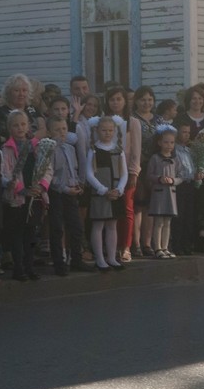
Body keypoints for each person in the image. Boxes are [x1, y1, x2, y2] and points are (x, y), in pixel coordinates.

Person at [0, 110, 52, 281]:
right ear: (9, 128)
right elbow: (7, 173)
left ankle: (29, 267)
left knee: (31, 233)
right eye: (15, 125)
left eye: (23, 124)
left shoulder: (36, 146)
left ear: (28, 126)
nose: (20, 128)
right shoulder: (7, 149)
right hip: (18, 198)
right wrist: (21, 189)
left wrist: (41, 187)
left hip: (35, 196)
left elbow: (47, 169)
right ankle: (19, 268)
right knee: (17, 234)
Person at [47, 116, 92, 276]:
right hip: (57, 193)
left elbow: (73, 168)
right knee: (57, 228)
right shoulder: (49, 149)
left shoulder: (70, 148)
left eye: (64, 129)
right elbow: (51, 177)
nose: (62, 133)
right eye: (57, 130)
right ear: (50, 132)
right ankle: (59, 263)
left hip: (71, 192)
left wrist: (78, 184)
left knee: (76, 227)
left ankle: (76, 260)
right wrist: (66, 189)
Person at [103, 87, 142, 263]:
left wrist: (134, 172)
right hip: (107, 170)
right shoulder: (103, 121)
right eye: (112, 99)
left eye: (119, 99)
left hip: (126, 170)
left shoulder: (132, 122)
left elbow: (136, 150)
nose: (116, 103)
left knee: (127, 208)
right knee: (109, 210)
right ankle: (111, 246)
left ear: (125, 101)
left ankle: (125, 247)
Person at [85, 116, 128, 271]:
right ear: (97, 130)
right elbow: (89, 174)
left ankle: (111, 257)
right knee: (98, 225)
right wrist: (102, 190)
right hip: (100, 194)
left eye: (110, 130)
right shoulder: (94, 150)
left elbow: (124, 172)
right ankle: (100, 258)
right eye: (104, 130)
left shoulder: (118, 149)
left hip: (115, 193)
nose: (107, 133)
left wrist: (120, 189)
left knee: (112, 225)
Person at [131, 86, 163, 257]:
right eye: (143, 99)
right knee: (138, 205)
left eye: (150, 99)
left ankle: (147, 243)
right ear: (136, 101)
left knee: (151, 206)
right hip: (139, 167)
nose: (147, 102)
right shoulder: (132, 119)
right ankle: (135, 244)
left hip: (156, 167)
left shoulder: (159, 120)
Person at [147, 124, 182, 259]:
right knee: (159, 221)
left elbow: (181, 176)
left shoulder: (176, 159)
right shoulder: (155, 158)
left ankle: (166, 247)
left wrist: (173, 181)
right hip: (159, 193)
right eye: (166, 142)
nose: (169, 145)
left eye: (172, 142)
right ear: (159, 142)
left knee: (168, 221)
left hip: (171, 194)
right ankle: (157, 248)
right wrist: (159, 178)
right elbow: (149, 175)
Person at [172, 123, 201, 255]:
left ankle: (187, 244)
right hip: (179, 184)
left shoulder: (189, 150)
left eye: (188, 133)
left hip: (190, 184)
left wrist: (198, 173)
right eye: (183, 132)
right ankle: (177, 245)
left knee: (189, 216)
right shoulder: (175, 150)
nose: (186, 135)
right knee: (179, 216)